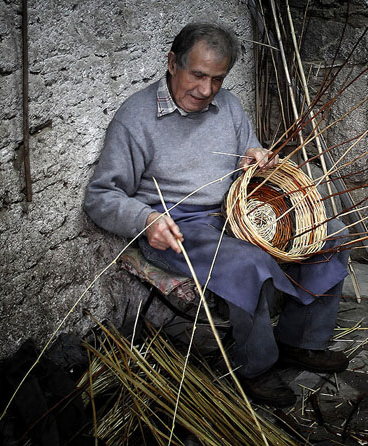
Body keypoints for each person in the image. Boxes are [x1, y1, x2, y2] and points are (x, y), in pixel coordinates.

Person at [84, 22, 350, 407]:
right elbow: (101, 195)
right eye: (198, 75)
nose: (206, 90)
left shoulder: (228, 106)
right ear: (172, 63)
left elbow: (249, 147)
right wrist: (145, 220)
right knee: (249, 263)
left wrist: (258, 157)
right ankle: (253, 367)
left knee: (331, 233)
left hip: (235, 213)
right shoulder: (136, 119)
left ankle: (301, 341)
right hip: (179, 227)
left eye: (217, 79)